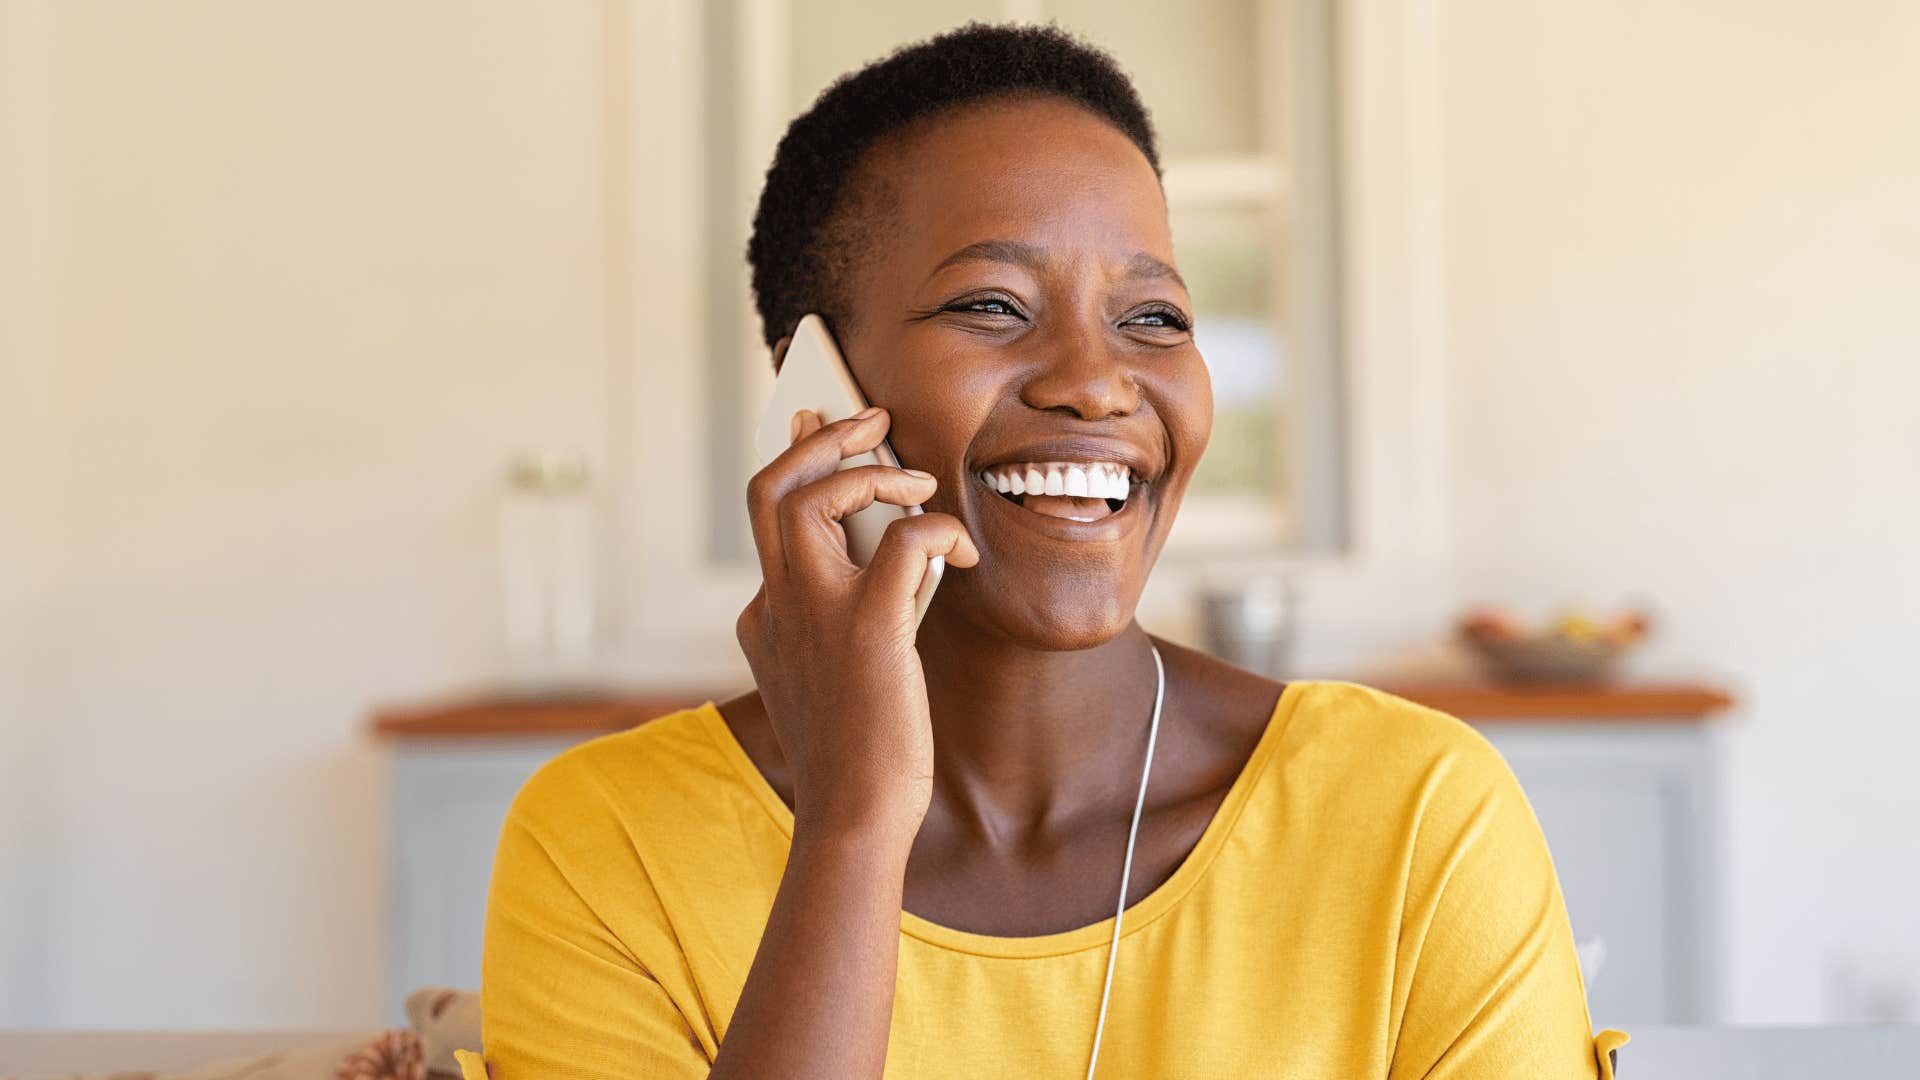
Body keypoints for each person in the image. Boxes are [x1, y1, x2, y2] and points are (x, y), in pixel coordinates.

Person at [468, 23, 1625, 1079]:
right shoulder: (606, 844)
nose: (1094, 382)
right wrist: (854, 824)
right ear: (816, 386)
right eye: (991, 304)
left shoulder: (1415, 812)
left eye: (1154, 318)